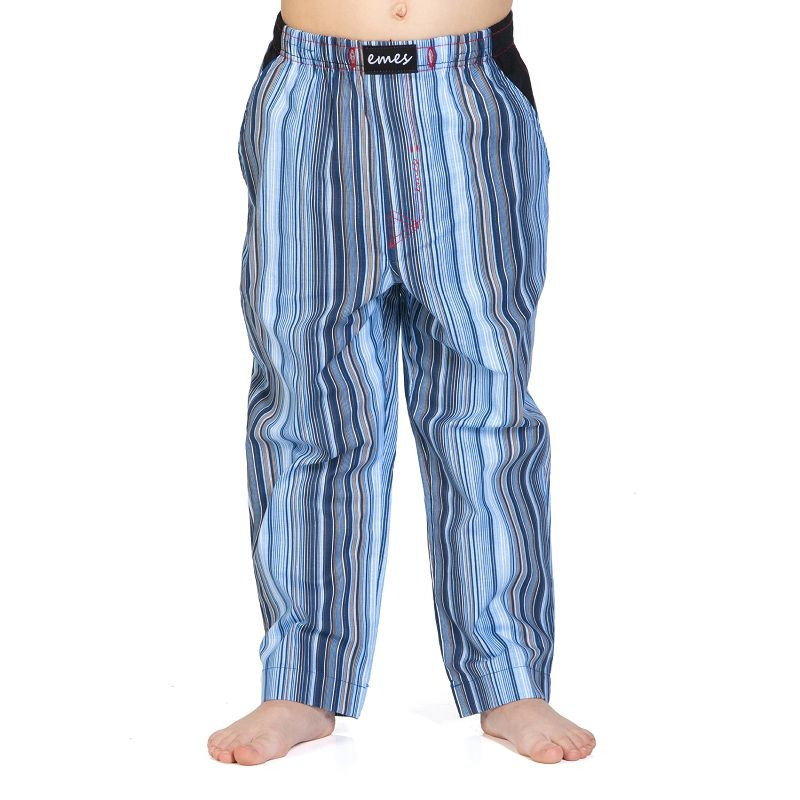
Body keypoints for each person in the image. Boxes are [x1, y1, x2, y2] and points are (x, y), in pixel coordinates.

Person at [208, 0, 596, 765]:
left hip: (467, 86)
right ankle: (301, 680)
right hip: (314, 90)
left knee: (485, 399)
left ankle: (510, 676)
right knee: (307, 400)